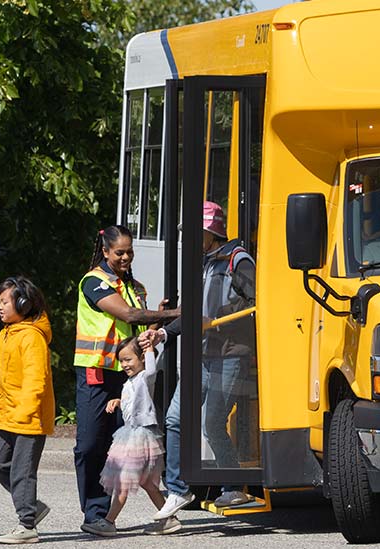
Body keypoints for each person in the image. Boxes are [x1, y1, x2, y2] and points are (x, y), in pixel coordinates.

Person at [143, 201, 257, 520]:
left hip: (230, 357)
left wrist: (218, 320)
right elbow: (194, 313)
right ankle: (179, 490)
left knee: (211, 423)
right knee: (176, 420)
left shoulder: (238, 260)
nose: (189, 240)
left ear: (210, 232)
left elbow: (259, 304)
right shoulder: (205, 263)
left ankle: (233, 487)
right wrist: (163, 334)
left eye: (196, 233)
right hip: (204, 356)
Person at [73, 225, 181, 537]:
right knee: (91, 445)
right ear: (105, 251)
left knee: (132, 447)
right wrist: (177, 313)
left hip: (128, 374)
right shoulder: (94, 281)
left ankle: (151, 513)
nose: (125, 257)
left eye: (129, 251)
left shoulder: (134, 285)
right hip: (96, 372)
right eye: (119, 252)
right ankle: (95, 511)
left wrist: (159, 318)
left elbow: (139, 327)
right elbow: (130, 316)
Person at [0, 276, 55, 544]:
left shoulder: (32, 337)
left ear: (23, 303)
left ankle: (27, 524)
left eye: (5, 301)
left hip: (29, 419)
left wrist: (25, 413)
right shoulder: (6, 335)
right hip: (9, 417)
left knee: (22, 471)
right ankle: (31, 504)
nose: (0, 306)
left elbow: (36, 380)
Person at [97, 337, 182, 535]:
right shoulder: (129, 382)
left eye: (129, 359)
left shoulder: (145, 377)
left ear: (142, 358)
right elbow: (132, 401)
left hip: (141, 435)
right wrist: (118, 400)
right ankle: (169, 519)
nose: (124, 364)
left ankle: (109, 522)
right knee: (147, 483)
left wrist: (150, 349)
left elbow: (151, 371)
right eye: (122, 360)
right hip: (130, 434)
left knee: (123, 481)